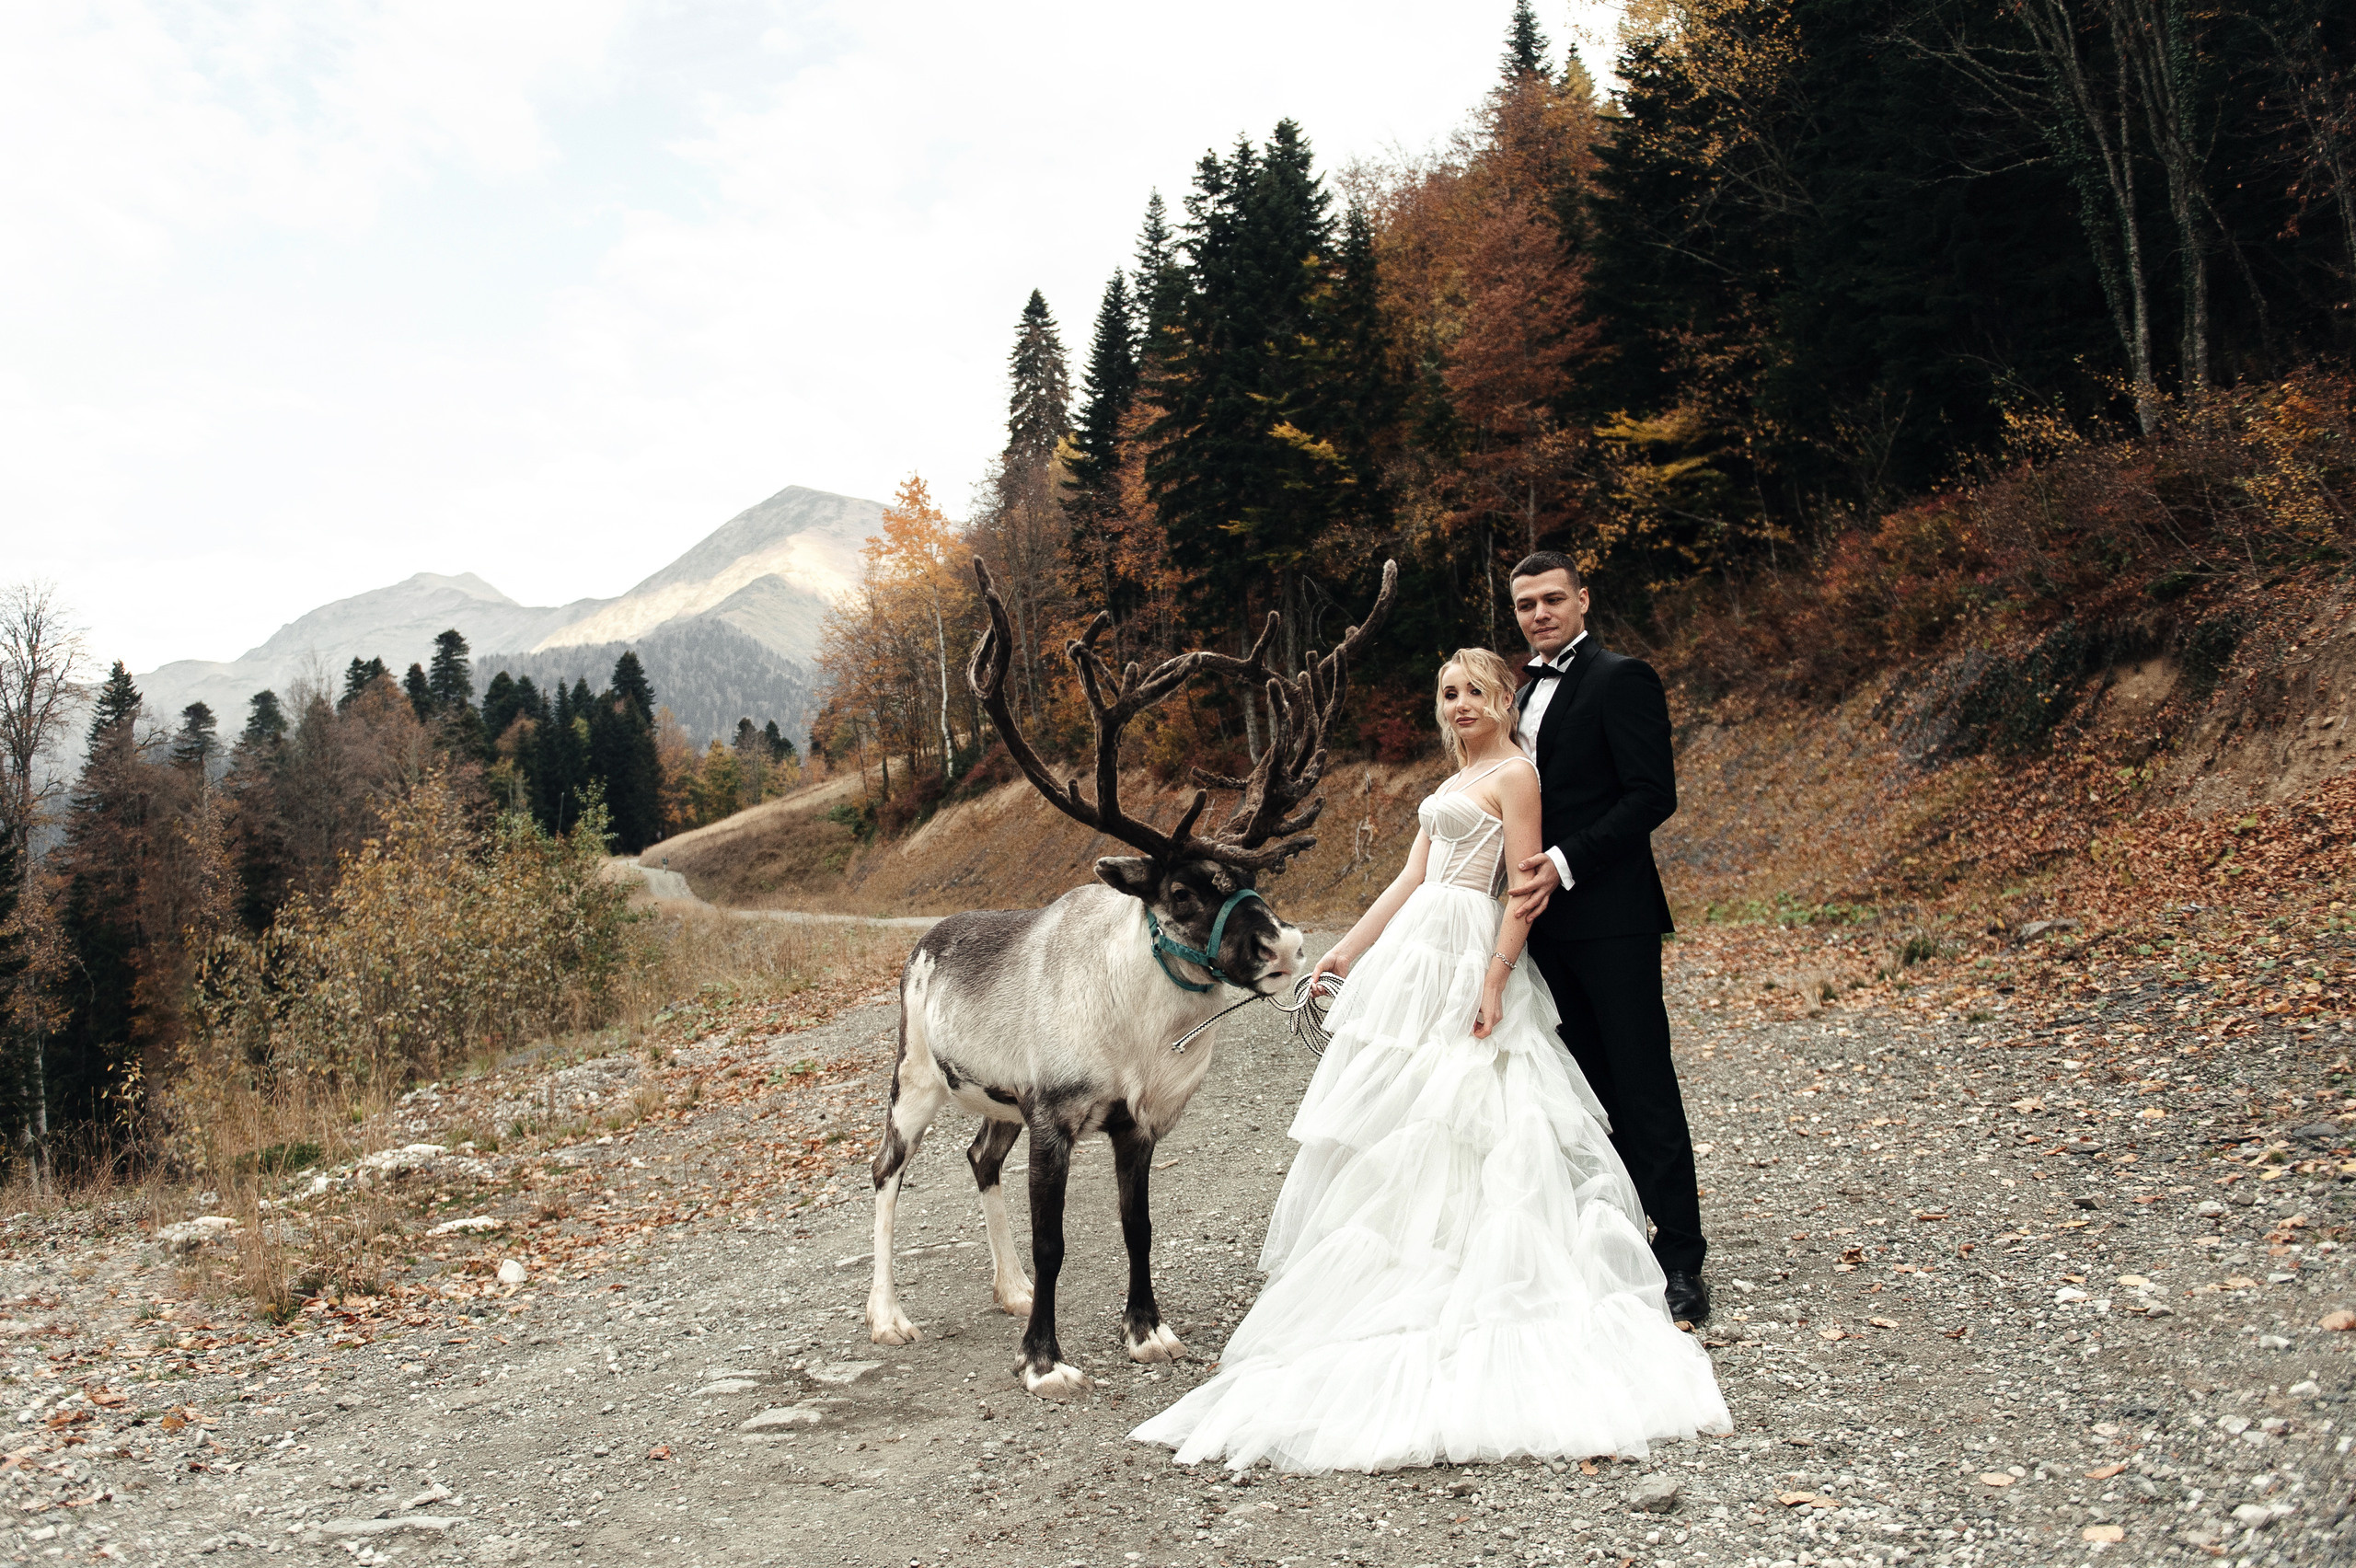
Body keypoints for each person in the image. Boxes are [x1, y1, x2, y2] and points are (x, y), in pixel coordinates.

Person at [1130, 647, 1727, 1473]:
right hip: (1418, 951)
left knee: (1476, 1101)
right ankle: (1417, 1253)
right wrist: (1345, 950)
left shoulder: (1518, 775)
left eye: (1474, 692)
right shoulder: (1450, 784)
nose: (1459, 706)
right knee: (1407, 1112)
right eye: (1448, 693)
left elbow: (1523, 883)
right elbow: (1409, 878)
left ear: (1501, 697)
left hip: (1470, 951)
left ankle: (1496, 1271)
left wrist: (1497, 973)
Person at [1500, 551, 1710, 1326]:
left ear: (1583, 600)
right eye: (1526, 604)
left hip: (1611, 916)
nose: (1540, 613)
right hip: (1538, 926)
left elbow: (1653, 794)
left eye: (1553, 599)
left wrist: (1564, 861)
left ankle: (1682, 1257)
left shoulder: (1622, 678)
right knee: (1580, 1091)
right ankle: (1615, 1239)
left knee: (1641, 1082)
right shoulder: (1518, 693)